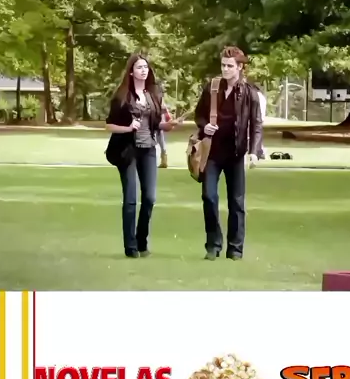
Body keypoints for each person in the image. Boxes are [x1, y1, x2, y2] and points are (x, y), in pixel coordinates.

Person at [106, 54, 180, 258]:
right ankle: (130, 247)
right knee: (131, 199)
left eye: (145, 67)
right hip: (128, 150)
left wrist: (168, 125)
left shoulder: (153, 95)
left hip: (148, 149)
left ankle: (141, 241)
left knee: (149, 198)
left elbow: (156, 124)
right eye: (139, 67)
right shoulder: (122, 96)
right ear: (131, 72)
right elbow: (109, 125)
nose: (143, 70)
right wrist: (128, 128)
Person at [194, 46, 263, 261]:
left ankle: (235, 249)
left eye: (229, 66)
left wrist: (254, 152)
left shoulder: (250, 92)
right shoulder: (212, 88)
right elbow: (199, 115)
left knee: (237, 202)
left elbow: (256, 125)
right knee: (209, 197)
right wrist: (205, 126)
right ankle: (213, 245)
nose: (225, 69)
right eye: (223, 65)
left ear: (240, 67)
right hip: (212, 152)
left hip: (236, 153)